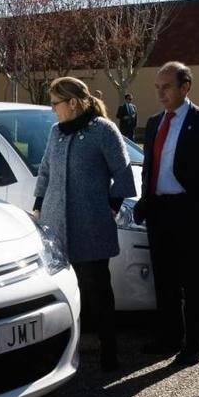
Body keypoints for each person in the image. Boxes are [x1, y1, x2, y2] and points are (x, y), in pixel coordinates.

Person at [33, 77, 136, 371]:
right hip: (57, 223)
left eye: (55, 103)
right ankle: (71, 345)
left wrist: (112, 206)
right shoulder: (56, 132)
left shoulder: (103, 130)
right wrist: (39, 204)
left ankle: (109, 349)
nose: (52, 109)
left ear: (73, 103)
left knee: (97, 286)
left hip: (91, 222)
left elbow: (123, 172)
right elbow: (45, 170)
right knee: (66, 285)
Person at [132, 61, 199, 366]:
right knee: (165, 280)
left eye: (167, 87)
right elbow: (150, 167)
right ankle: (170, 336)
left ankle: (196, 342)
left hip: (189, 212)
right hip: (159, 211)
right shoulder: (154, 122)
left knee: (193, 280)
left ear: (185, 87)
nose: (161, 93)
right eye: (157, 87)